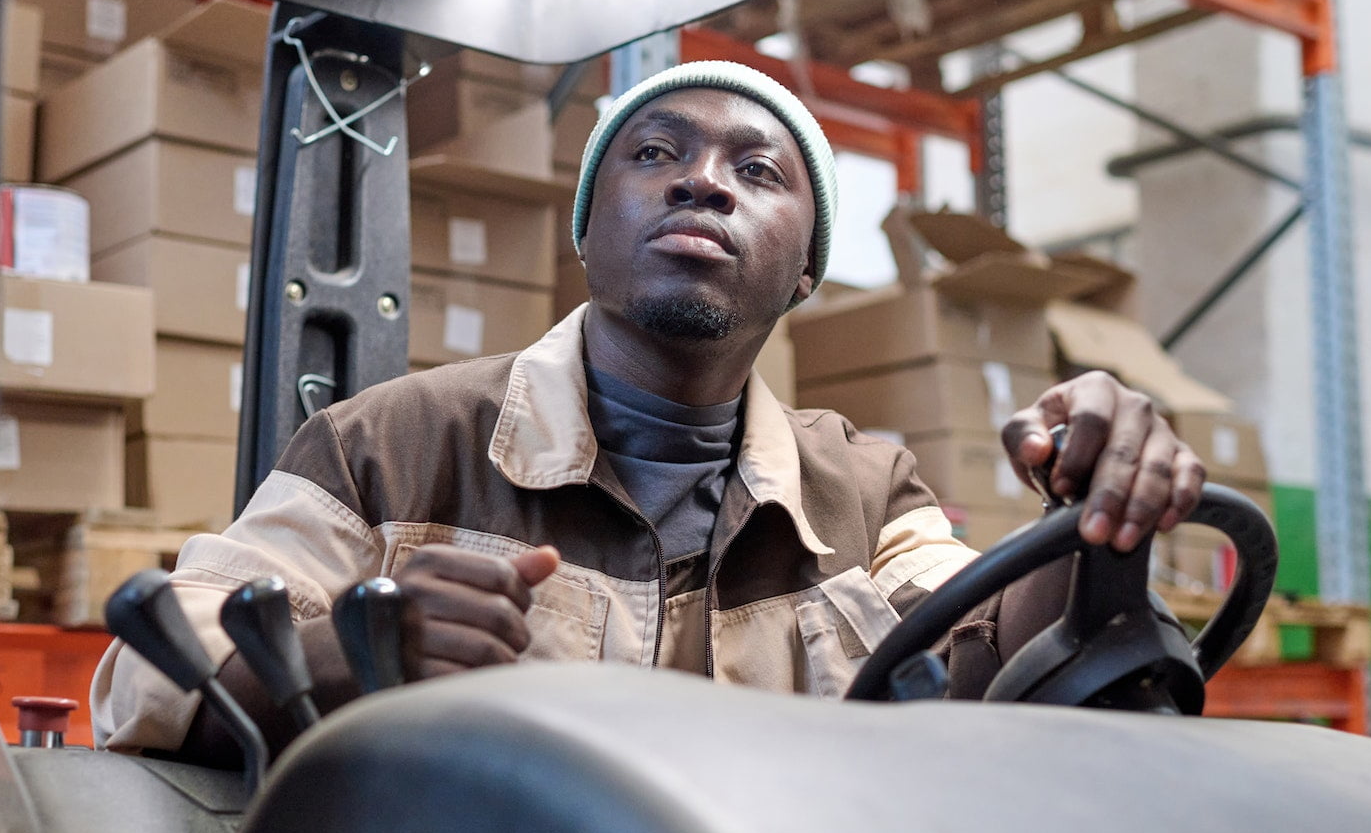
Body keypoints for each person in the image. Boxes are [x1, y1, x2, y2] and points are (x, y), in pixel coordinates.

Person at [93, 61, 1205, 763]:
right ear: (587, 230)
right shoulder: (390, 445)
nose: (701, 181)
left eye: (756, 170)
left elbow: (1000, 671)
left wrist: (1093, 497)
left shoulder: (864, 492)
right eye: (656, 154)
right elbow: (142, 677)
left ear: (804, 272)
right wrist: (354, 646)